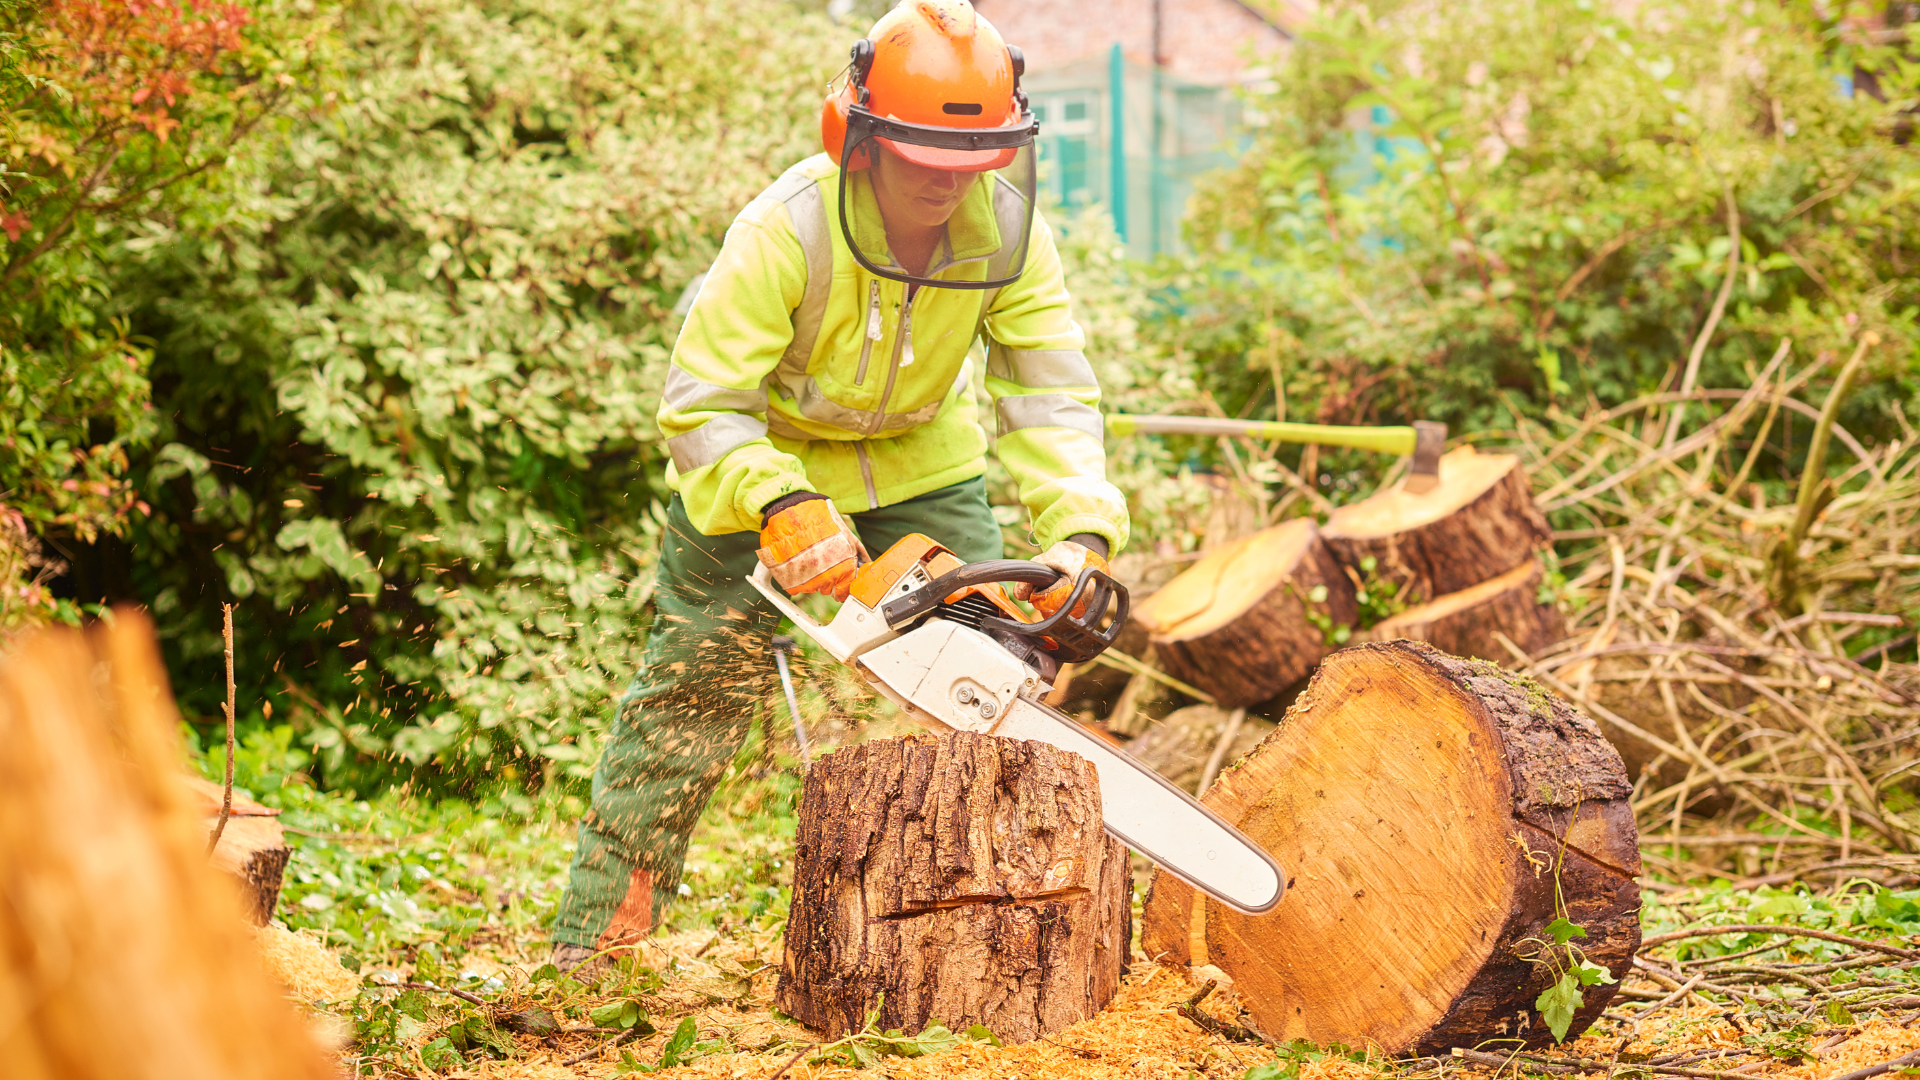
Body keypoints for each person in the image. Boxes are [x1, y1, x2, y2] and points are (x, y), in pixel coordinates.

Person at [549, 0, 1130, 969]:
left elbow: (1050, 394)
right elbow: (701, 405)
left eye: (973, 158)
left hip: (921, 467)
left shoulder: (1012, 238)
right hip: (759, 471)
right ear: (858, 137)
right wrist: (774, 498)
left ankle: (992, 929)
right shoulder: (786, 230)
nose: (949, 183)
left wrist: (1078, 535)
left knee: (989, 676)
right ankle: (599, 933)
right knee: (694, 684)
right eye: (923, 159)